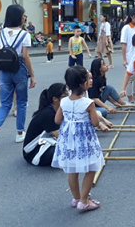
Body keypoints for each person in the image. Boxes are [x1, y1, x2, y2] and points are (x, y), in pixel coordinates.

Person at [52, 66, 105, 212]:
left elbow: (57, 120)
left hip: (68, 139)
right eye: (88, 78)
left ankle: (76, 198)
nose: (90, 80)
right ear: (83, 83)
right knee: (91, 167)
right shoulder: (88, 103)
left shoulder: (63, 102)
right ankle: (84, 200)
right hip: (85, 140)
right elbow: (95, 123)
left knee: (72, 169)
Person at [0, 4, 36, 154]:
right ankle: (20, 132)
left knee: (5, 103)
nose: (24, 18)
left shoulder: (0, 32)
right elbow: (25, 56)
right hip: (19, 68)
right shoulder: (24, 34)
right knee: (21, 102)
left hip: (4, 70)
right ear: (18, 17)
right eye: (23, 15)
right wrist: (32, 75)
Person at [23, 83, 68, 166]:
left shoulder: (56, 109)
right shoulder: (48, 114)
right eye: (65, 96)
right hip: (33, 151)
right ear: (55, 99)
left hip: (47, 141)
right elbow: (60, 134)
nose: (68, 98)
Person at [120, 7, 135, 103]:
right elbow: (123, 44)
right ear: (131, 16)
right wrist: (124, 59)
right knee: (130, 78)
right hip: (130, 57)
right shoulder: (126, 28)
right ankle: (129, 98)